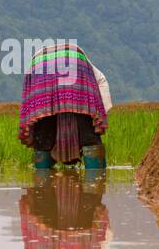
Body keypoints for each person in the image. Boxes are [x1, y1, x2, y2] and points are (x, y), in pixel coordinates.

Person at [18, 42, 111, 170]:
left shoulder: (89, 68)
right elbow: (102, 96)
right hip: (72, 60)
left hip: (40, 64)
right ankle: (96, 180)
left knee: (44, 137)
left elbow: (28, 94)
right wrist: (97, 116)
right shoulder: (96, 75)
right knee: (89, 137)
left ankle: (42, 181)